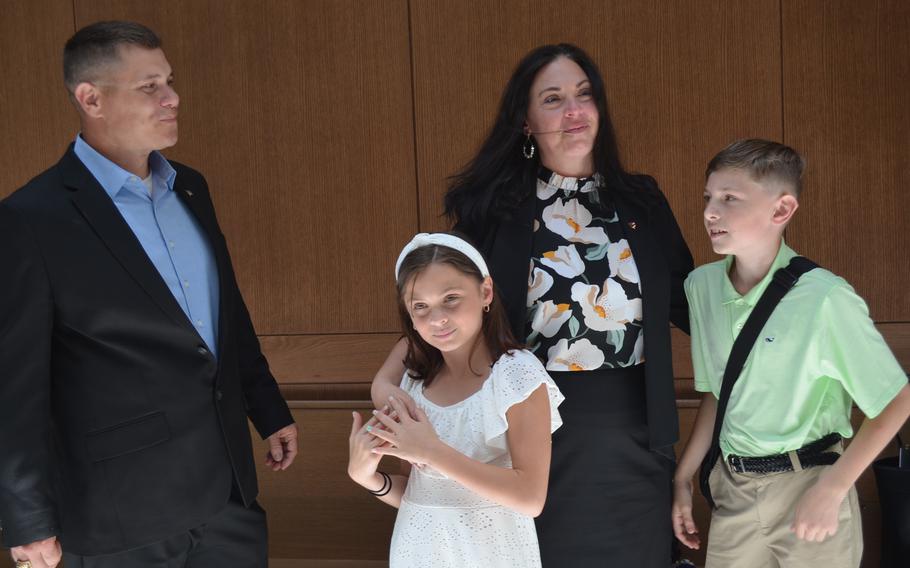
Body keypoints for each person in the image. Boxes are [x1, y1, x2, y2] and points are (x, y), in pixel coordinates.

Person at [372, 44, 693, 566]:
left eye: (584, 95)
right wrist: (385, 382)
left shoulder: (642, 199)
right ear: (524, 121)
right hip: (529, 429)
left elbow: (690, 299)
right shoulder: (494, 209)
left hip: (634, 433)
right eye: (553, 98)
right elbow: (446, 302)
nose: (574, 110)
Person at [0, 21, 298, 567]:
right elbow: (13, 385)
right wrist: (28, 522)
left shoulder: (191, 186)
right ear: (90, 98)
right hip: (121, 516)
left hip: (229, 498)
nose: (172, 98)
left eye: (169, 81)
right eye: (150, 86)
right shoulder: (29, 219)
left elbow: (224, 310)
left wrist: (267, 407)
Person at [671, 139, 910, 567]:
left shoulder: (825, 298)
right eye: (708, 197)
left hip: (812, 485)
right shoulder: (700, 287)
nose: (710, 211)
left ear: (781, 210)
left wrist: (833, 489)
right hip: (734, 491)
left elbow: (896, 400)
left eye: (730, 198)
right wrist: (682, 477)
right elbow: (717, 395)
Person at [348, 233, 564, 567]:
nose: (437, 319)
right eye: (420, 306)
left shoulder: (516, 376)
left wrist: (431, 451)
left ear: (485, 292)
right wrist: (369, 479)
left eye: (451, 298)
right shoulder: (415, 382)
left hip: (491, 554)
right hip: (417, 551)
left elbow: (530, 497)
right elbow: (419, 492)